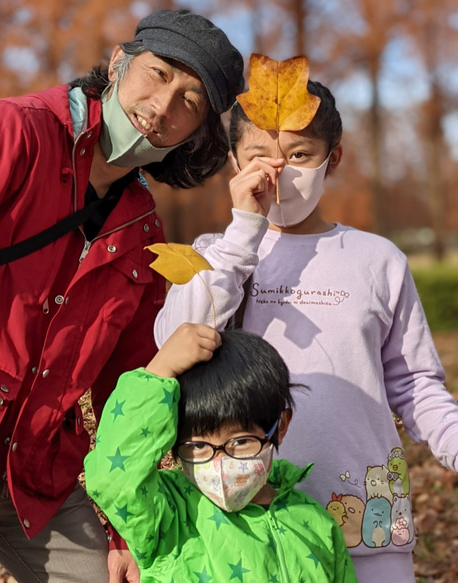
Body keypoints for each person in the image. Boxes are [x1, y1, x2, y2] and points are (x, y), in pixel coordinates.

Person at [0, 9, 245, 583]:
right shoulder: (6, 135)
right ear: (119, 62)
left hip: (34, 469)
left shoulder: (141, 227)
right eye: (159, 73)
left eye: (191, 103)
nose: (164, 106)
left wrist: (125, 528)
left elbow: (133, 382)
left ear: (197, 133)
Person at [153, 63, 458, 582]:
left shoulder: (377, 259)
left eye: (298, 156)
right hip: (252, 525)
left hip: (366, 517)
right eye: (259, 157)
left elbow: (415, 384)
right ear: (233, 162)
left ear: (331, 158)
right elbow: (173, 343)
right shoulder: (217, 255)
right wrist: (244, 232)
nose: (278, 172)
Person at [85, 323, 358, 582]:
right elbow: (113, 477)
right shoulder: (168, 516)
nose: (220, 464)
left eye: (240, 442)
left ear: (280, 427)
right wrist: (159, 370)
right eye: (198, 446)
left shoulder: (315, 523)